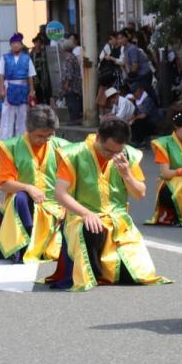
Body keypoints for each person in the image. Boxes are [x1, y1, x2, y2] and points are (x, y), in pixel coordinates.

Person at [47, 117, 170, 291]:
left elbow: (140, 193)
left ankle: (109, 270)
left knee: (137, 277)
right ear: (97, 137)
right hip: (81, 218)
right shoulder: (74, 154)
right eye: (107, 151)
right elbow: (60, 193)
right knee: (90, 227)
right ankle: (95, 272)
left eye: (116, 152)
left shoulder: (126, 155)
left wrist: (127, 174)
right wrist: (87, 214)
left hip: (117, 221)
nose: (112, 156)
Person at [0, 106, 68, 263]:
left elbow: (72, 183)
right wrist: (28, 188)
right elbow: (5, 183)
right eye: (39, 136)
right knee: (20, 197)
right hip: (22, 205)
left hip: (54, 207)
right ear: (28, 129)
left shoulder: (63, 147)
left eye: (48, 136)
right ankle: (23, 246)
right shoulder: (10, 146)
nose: (43, 140)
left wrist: (66, 207)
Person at [0, 33, 36, 140]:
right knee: (7, 116)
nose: (15, 45)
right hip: (9, 87)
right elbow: (0, 74)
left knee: (22, 117)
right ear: (10, 45)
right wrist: (1, 89)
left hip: (23, 88)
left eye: (18, 43)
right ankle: (4, 141)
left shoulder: (27, 58)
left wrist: (32, 90)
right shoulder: (4, 58)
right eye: (13, 43)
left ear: (21, 45)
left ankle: (22, 140)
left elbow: (30, 76)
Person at [127, 81, 161, 146]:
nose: (134, 94)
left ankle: (140, 141)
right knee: (132, 123)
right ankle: (133, 140)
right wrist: (130, 118)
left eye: (135, 92)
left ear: (141, 90)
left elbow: (144, 115)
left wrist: (134, 119)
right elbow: (135, 113)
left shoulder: (148, 100)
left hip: (152, 123)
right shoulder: (137, 101)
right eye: (133, 93)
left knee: (139, 122)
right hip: (144, 123)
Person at [59, 40, 83, 125]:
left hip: (72, 85)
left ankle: (74, 119)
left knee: (72, 102)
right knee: (73, 101)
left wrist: (66, 84)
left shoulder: (69, 58)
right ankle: (74, 119)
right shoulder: (73, 57)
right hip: (75, 84)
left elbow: (69, 72)